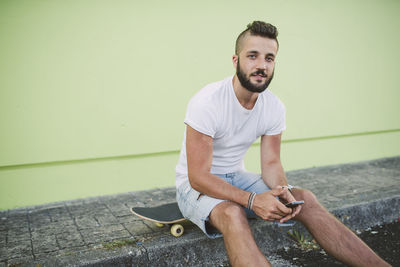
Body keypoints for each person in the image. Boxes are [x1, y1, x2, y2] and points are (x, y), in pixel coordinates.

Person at [175, 21, 390, 267]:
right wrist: (252, 200)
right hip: (195, 187)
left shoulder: (274, 106)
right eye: (252, 56)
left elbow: (271, 162)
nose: (261, 66)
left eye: (269, 58)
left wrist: (282, 190)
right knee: (232, 213)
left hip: (236, 176)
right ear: (236, 61)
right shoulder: (207, 102)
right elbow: (198, 177)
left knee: (304, 198)